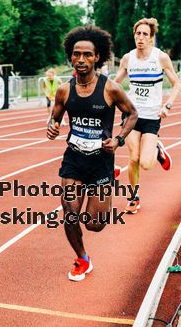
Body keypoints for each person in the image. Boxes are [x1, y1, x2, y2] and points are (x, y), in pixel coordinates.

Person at [47, 25, 137, 281]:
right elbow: (54, 119)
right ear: (71, 56)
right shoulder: (64, 90)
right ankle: (82, 259)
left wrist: (119, 140)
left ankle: (111, 180)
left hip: (101, 161)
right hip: (74, 159)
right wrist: (52, 128)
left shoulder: (110, 89)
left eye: (87, 55)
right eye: (77, 54)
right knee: (70, 212)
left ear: (98, 57)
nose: (81, 60)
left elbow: (132, 113)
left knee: (94, 224)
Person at [114, 18, 181, 214]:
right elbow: (116, 83)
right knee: (133, 158)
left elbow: (177, 84)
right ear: (134, 35)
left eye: (145, 34)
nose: (140, 37)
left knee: (146, 164)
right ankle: (134, 198)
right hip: (132, 115)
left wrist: (167, 105)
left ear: (151, 38)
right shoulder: (128, 58)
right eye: (138, 33)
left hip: (152, 116)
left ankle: (158, 148)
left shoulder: (160, 58)